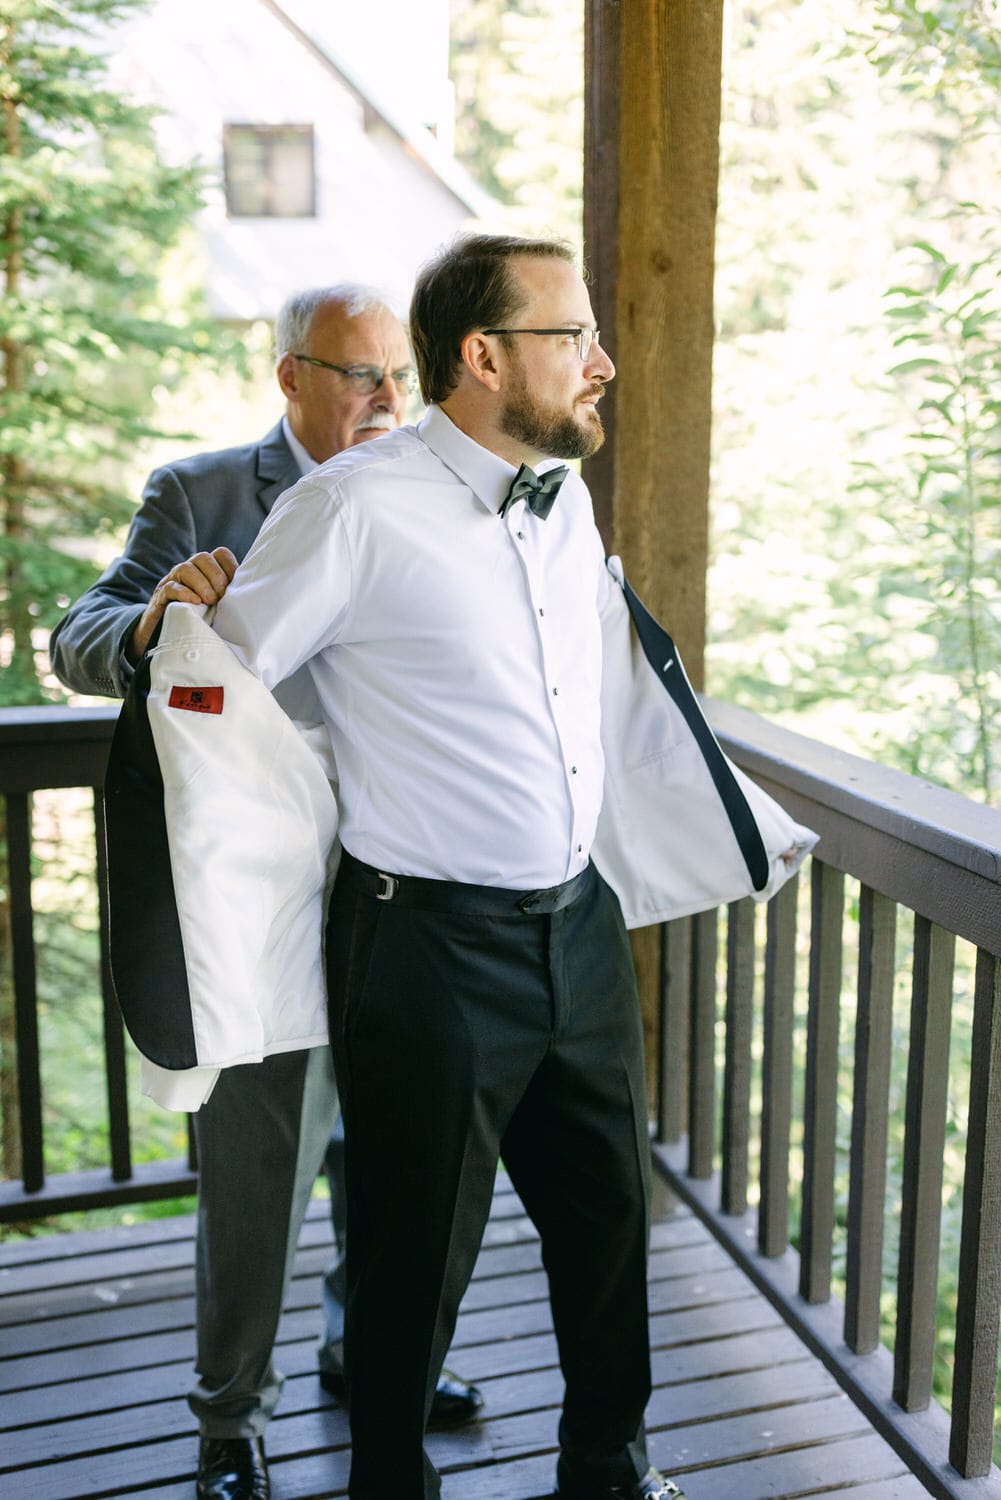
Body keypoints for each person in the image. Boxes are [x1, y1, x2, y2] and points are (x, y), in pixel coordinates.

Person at [210, 235, 699, 1500]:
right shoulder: (348, 506)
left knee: (606, 1231)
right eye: (570, 338)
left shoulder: (563, 495)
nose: (601, 364)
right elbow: (228, 691)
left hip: (578, 931)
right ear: (481, 358)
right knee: (414, 1257)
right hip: (423, 949)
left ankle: (605, 1469)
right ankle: (389, 1485)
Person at [48, 284, 483, 1500]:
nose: (388, 399)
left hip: (408, 876)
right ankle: (229, 1418)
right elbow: (74, 637)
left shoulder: (436, 490)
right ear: (289, 376)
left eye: (399, 374)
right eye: (358, 375)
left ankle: (365, 1354)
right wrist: (148, 622)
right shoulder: (198, 491)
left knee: (401, 1149)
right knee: (257, 1167)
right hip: (256, 899)